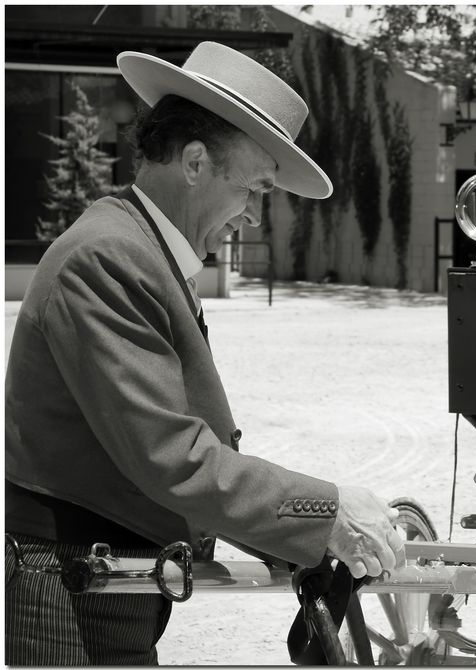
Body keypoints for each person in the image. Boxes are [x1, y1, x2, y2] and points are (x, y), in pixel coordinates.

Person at [5, 41, 405, 665]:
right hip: (67, 587)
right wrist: (323, 511)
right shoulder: (109, 258)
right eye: (255, 189)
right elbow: (176, 459)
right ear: (194, 162)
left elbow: (197, 452)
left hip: (99, 578)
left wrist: (301, 538)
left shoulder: (144, 251)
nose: (252, 216)